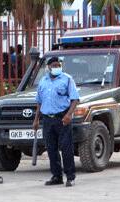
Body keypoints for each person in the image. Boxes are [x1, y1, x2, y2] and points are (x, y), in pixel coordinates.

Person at [33, 56, 80, 187]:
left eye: (58, 65)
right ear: (48, 67)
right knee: (51, 149)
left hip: (62, 118)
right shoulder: (43, 81)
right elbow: (39, 101)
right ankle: (56, 176)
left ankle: (70, 177)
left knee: (66, 148)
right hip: (47, 119)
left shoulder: (67, 79)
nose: (56, 67)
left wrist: (69, 115)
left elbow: (75, 99)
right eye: (53, 65)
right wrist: (36, 120)